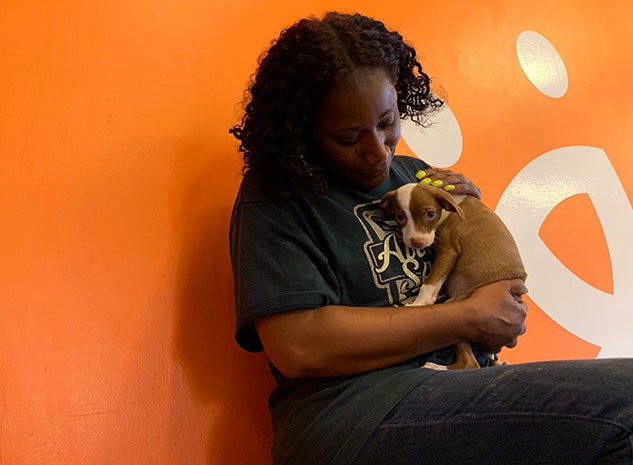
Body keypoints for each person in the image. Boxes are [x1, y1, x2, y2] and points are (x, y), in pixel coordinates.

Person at [228, 11, 633, 465]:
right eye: (348, 137)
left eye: (387, 122)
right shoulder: (277, 196)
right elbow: (298, 347)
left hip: (462, 380)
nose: (378, 151)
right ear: (302, 133)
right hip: (354, 412)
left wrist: (481, 235)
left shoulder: (416, 177)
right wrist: (465, 317)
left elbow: (489, 282)